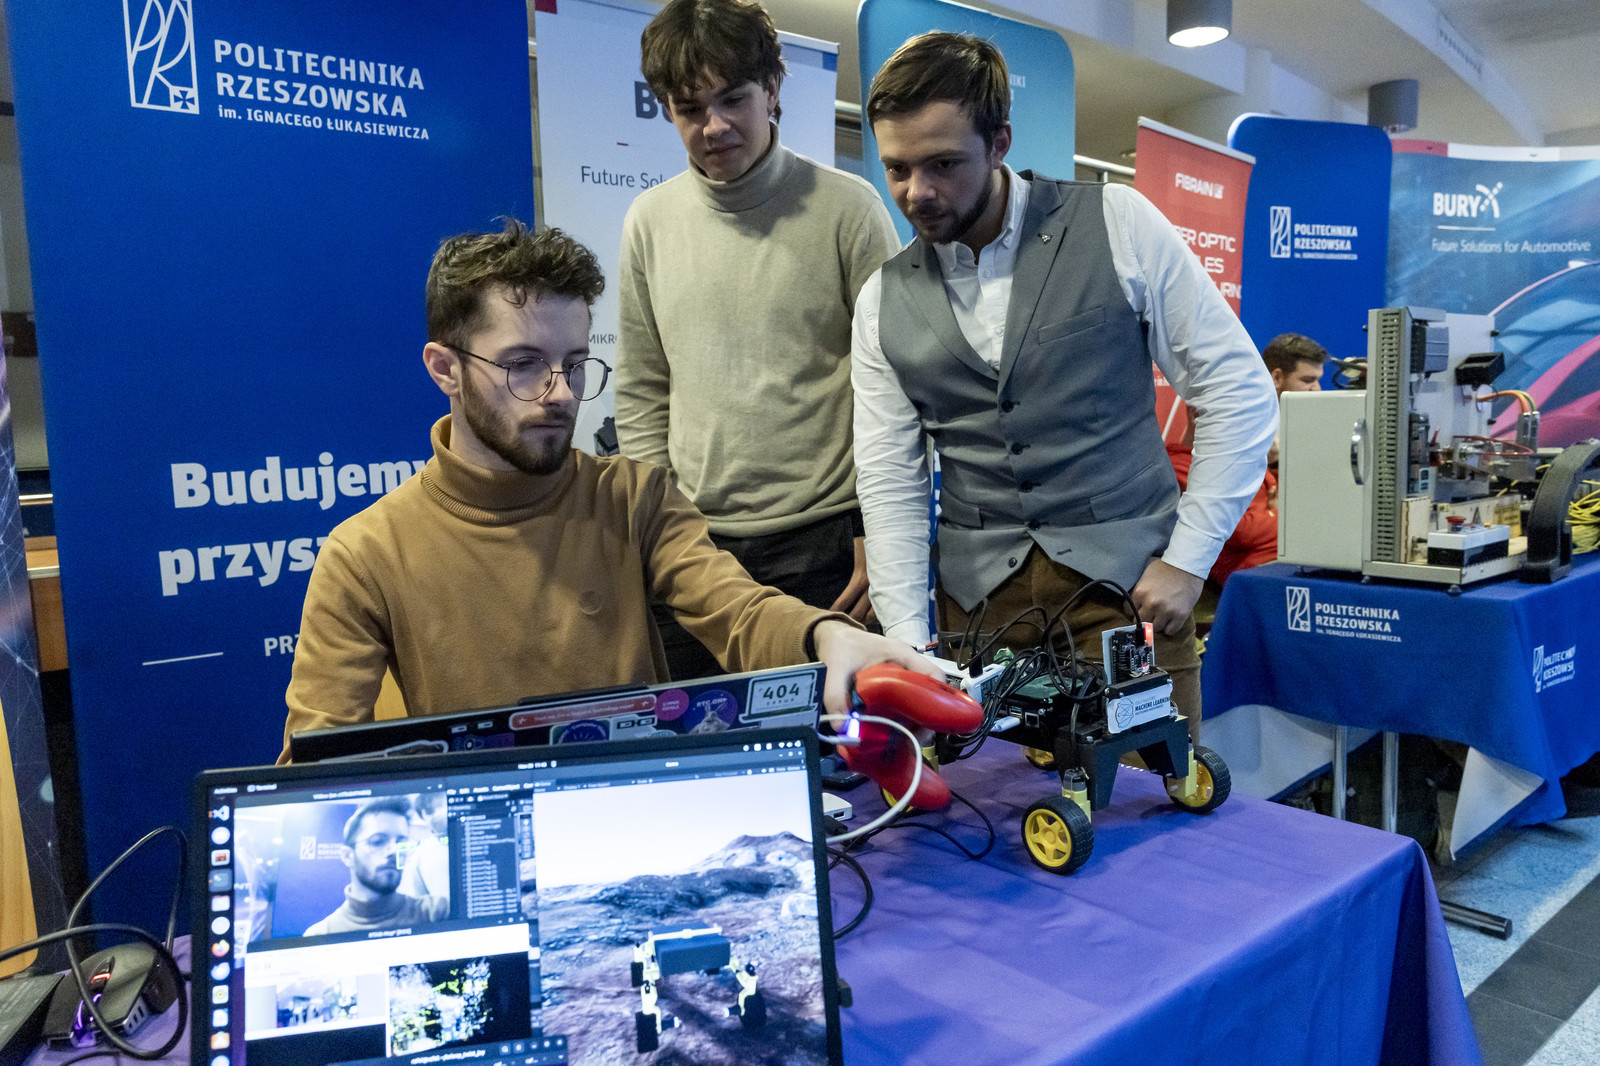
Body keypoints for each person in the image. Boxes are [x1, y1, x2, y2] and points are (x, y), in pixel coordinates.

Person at [282, 220, 937, 761]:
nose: (560, 394)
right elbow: (314, 764)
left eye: (573, 364)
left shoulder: (634, 498)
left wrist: (826, 636)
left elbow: (737, 609)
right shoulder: (365, 556)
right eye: (523, 365)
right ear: (444, 369)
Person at [851, 33, 1278, 738]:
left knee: (1150, 796)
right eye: (897, 168)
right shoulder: (881, 300)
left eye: (943, 164)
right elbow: (890, 477)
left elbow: (1239, 391)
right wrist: (904, 639)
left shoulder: (1117, 222)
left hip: (1127, 598)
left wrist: (1188, 562)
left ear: (999, 143)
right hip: (978, 615)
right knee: (988, 803)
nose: (917, 192)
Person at [615, 0, 901, 678]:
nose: (713, 126)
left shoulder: (850, 210)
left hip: (830, 545)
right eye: (690, 108)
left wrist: (878, 530)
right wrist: (660, 527)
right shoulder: (648, 221)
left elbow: (896, 385)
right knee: (698, 738)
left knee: (834, 738)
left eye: (732, 99)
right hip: (697, 549)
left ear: (772, 89)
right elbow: (642, 388)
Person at [1168, 332, 1330, 587]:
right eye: (1237, 416)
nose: (1246, 425)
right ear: (1197, 415)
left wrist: (1276, 512)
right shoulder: (1181, 467)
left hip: (1290, 563)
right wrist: (1283, 513)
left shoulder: (1241, 456)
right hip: (1259, 576)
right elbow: (1241, 531)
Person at [305, 797, 448, 936]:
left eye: (401, 843)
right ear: (348, 856)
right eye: (378, 841)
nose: (394, 851)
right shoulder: (320, 934)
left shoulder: (436, 912)